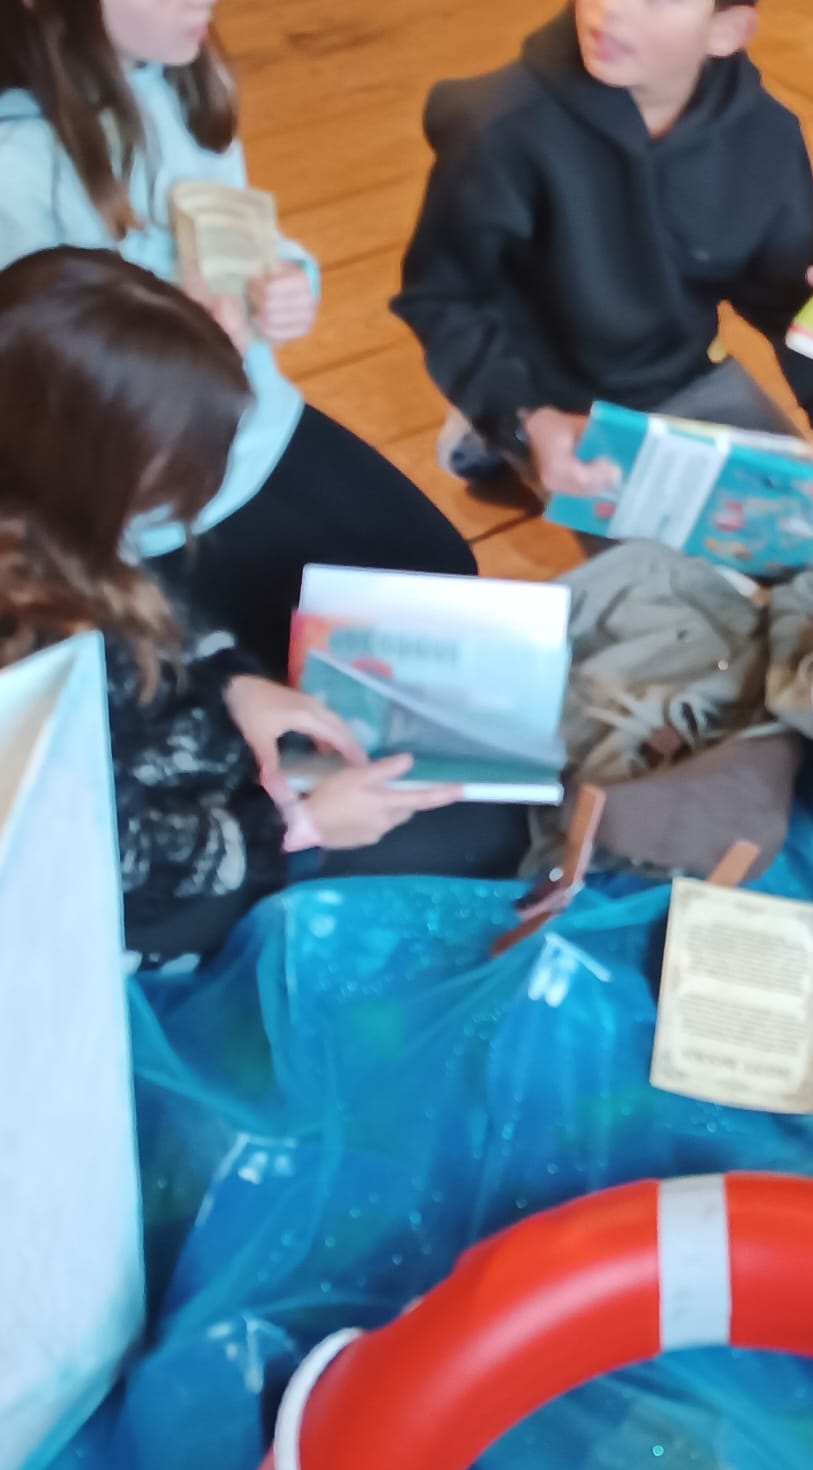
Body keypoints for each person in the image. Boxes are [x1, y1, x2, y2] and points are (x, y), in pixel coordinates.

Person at [0, 0, 475, 674]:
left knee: (445, 580)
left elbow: (247, 233)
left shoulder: (178, 82)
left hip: (257, 428)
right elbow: (48, 406)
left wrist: (285, 278)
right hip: (140, 511)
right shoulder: (16, 178)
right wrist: (180, 343)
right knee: (263, 677)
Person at [0, 249, 527, 967]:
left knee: (467, 798)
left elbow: (160, 615)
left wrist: (233, 681)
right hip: (160, 888)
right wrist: (299, 830)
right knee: (476, 836)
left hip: (197, 780)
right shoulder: (34, 657)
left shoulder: (54, 529)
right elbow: (113, 874)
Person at [394, 0, 813, 511]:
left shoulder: (767, 138)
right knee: (663, 572)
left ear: (727, 30)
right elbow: (442, 296)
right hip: (553, 390)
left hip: (681, 374)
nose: (610, 3)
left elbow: (785, 298)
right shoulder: (503, 126)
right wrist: (524, 414)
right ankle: (487, 426)